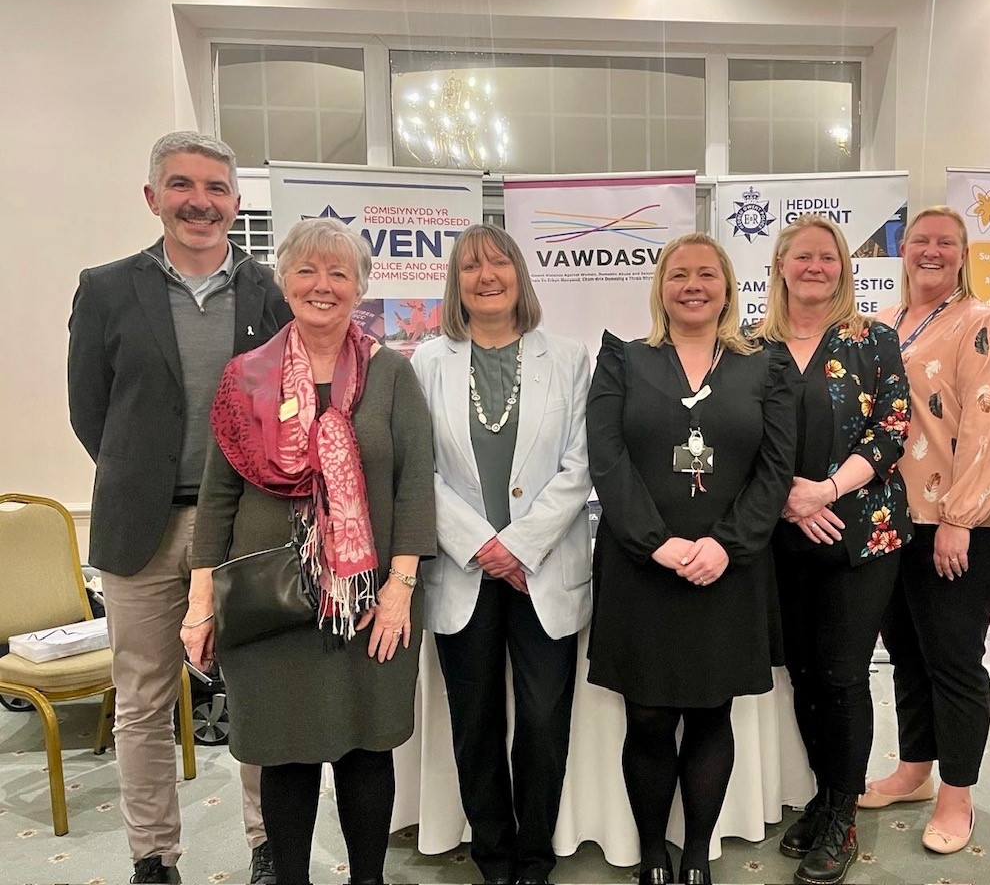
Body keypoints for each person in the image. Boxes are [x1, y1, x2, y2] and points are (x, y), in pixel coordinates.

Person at [181, 217, 436, 885]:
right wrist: (201, 605)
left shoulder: (391, 377)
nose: (322, 286)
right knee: (284, 753)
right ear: (284, 280)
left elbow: (415, 491)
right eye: (307, 270)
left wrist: (398, 590)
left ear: (359, 289)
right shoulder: (245, 380)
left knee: (365, 751)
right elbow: (216, 501)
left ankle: (368, 879)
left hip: (371, 607)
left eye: (339, 273)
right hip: (267, 609)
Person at [67, 131, 288, 885]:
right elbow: (90, 411)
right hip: (144, 528)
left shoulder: (268, 291)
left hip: (249, 525)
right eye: (183, 185)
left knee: (257, 691)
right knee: (145, 702)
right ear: (153, 196)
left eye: (217, 188)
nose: (201, 201)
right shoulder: (104, 289)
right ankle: (153, 858)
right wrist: (145, 475)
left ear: (235, 201)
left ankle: (268, 845)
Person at [586, 233, 795, 885]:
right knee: (646, 716)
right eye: (679, 274)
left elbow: (776, 467)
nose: (693, 285)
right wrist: (659, 542)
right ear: (662, 287)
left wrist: (724, 546)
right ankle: (653, 855)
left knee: (712, 712)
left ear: (728, 287)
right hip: (641, 566)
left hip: (729, 570)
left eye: (707, 274)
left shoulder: (768, 363)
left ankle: (697, 855)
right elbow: (607, 460)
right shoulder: (622, 358)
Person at [410, 224, 592, 885]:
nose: (486, 276)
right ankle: (493, 855)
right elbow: (416, 470)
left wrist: (518, 545)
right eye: (470, 268)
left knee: (544, 723)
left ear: (520, 274)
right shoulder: (426, 362)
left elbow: (581, 465)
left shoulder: (570, 359)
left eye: (498, 264)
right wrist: (483, 545)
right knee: (475, 723)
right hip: (463, 574)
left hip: (543, 572)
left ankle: (535, 857)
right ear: (455, 283)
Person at [753, 215, 912, 885]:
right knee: (805, 674)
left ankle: (843, 815)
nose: (816, 267)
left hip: (862, 532)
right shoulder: (749, 347)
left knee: (844, 674)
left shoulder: (873, 339)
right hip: (777, 535)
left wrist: (824, 491)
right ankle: (823, 793)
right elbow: (735, 433)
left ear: (843, 268)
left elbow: (892, 427)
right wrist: (790, 496)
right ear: (781, 264)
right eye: (803, 256)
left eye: (828, 257)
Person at [863, 206, 990, 854]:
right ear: (904, 250)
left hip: (957, 524)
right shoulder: (883, 324)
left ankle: (957, 796)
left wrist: (961, 518)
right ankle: (915, 770)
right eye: (921, 240)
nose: (931, 250)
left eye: (945, 242)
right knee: (905, 653)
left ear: (962, 253)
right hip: (889, 522)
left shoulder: (981, 325)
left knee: (953, 661)